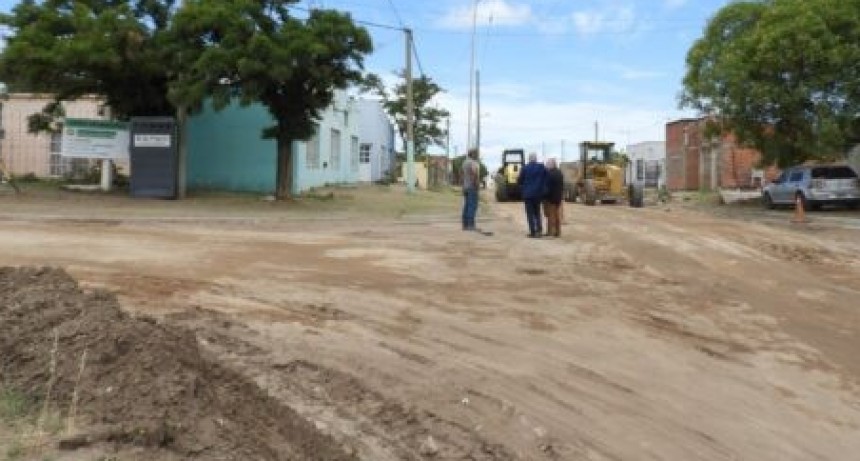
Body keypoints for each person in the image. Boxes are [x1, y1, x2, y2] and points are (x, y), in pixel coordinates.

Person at [517, 152, 546, 238]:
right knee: (537, 213)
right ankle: (539, 231)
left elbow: (520, 180)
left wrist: (522, 185)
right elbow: (546, 178)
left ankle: (533, 232)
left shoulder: (525, 168)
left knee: (530, 214)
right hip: (538, 194)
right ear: (536, 158)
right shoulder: (541, 167)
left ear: (529, 159)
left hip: (528, 195)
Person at [543, 158, 564, 237]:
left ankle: (550, 232)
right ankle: (558, 232)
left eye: (547, 164)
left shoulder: (549, 174)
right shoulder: (559, 173)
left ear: (552, 165)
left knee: (550, 215)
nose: (546, 166)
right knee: (557, 215)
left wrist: (544, 196)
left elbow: (547, 187)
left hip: (550, 198)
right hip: (558, 197)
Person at [461, 148, 480, 231]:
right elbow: (474, 174)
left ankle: (465, 225)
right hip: (472, 187)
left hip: (465, 186)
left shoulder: (464, 163)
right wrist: (476, 185)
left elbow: (462, 174)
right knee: (472, 206)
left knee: (466, 205)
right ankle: (470, 225)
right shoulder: (473, 163)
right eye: (476, 154)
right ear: (472, 154)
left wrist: (463, 185)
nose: (477, 156)